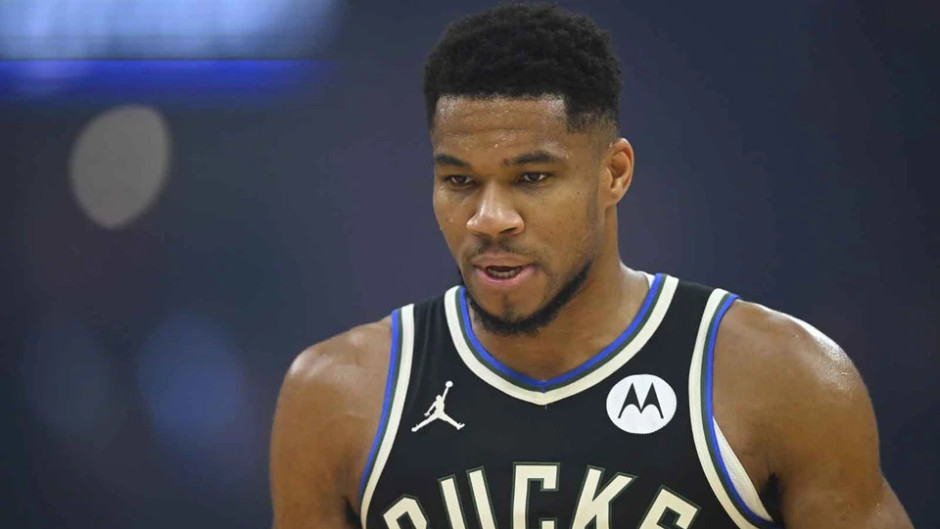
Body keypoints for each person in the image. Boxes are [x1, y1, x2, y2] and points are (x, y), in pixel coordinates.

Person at [269, 4, 914, 528]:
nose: (489, 218)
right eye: (460, 180)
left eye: (532, 177)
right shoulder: (338, 395)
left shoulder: (782, 377)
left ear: (614, 173)